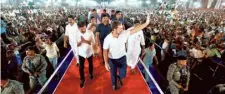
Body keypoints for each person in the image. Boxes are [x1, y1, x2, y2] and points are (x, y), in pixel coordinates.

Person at [103, 13, 150, 90]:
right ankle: (114, 84)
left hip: (122, 58)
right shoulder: (107, 39)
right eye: (120, 28)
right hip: (112, 59)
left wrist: (146, 23)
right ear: (114, 29)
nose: (122, 29)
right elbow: (105, 51)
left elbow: (136, 29)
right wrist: (106, 62)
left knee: (123, 75)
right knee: (113, 74)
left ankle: (119, 78)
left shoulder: (124, 33)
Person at [76, 21, 95, 88]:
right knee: (81, 67)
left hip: (89, 52)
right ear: (78, 28)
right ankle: (82, 79)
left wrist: (85, 41)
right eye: (80, 28)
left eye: (83, 27)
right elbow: (77, 44)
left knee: (91, 64)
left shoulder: (90, 33)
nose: (82, 29)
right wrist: (81, 41)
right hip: (81, 53)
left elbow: (93, 43)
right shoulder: (77, 34)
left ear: (85, 26)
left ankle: (91, 73)